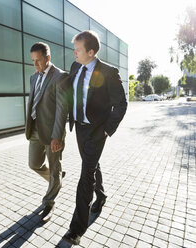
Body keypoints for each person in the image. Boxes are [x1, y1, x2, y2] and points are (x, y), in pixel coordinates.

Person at [62, 31, 127, 245]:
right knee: (91, 165)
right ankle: (101, 196)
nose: (74, 53)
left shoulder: (109, 72)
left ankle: (76, 229)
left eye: (78, 49)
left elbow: (121, 104)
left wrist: (106, 130)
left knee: (85, 175)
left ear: (91, 52)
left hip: (97, 131)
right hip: (80, 128)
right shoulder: (74, 67)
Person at [25, 42, 68, 223]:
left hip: (52, 133)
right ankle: (56, 177)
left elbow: (61, 109)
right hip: (35, 129)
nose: (35, 64)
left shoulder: (60, 77)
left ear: (48, 58)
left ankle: (49, 202)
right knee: (33, 164)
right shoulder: (34, 77)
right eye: (33, 61)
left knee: (54, 169)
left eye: (38, 60)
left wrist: (57, 136)